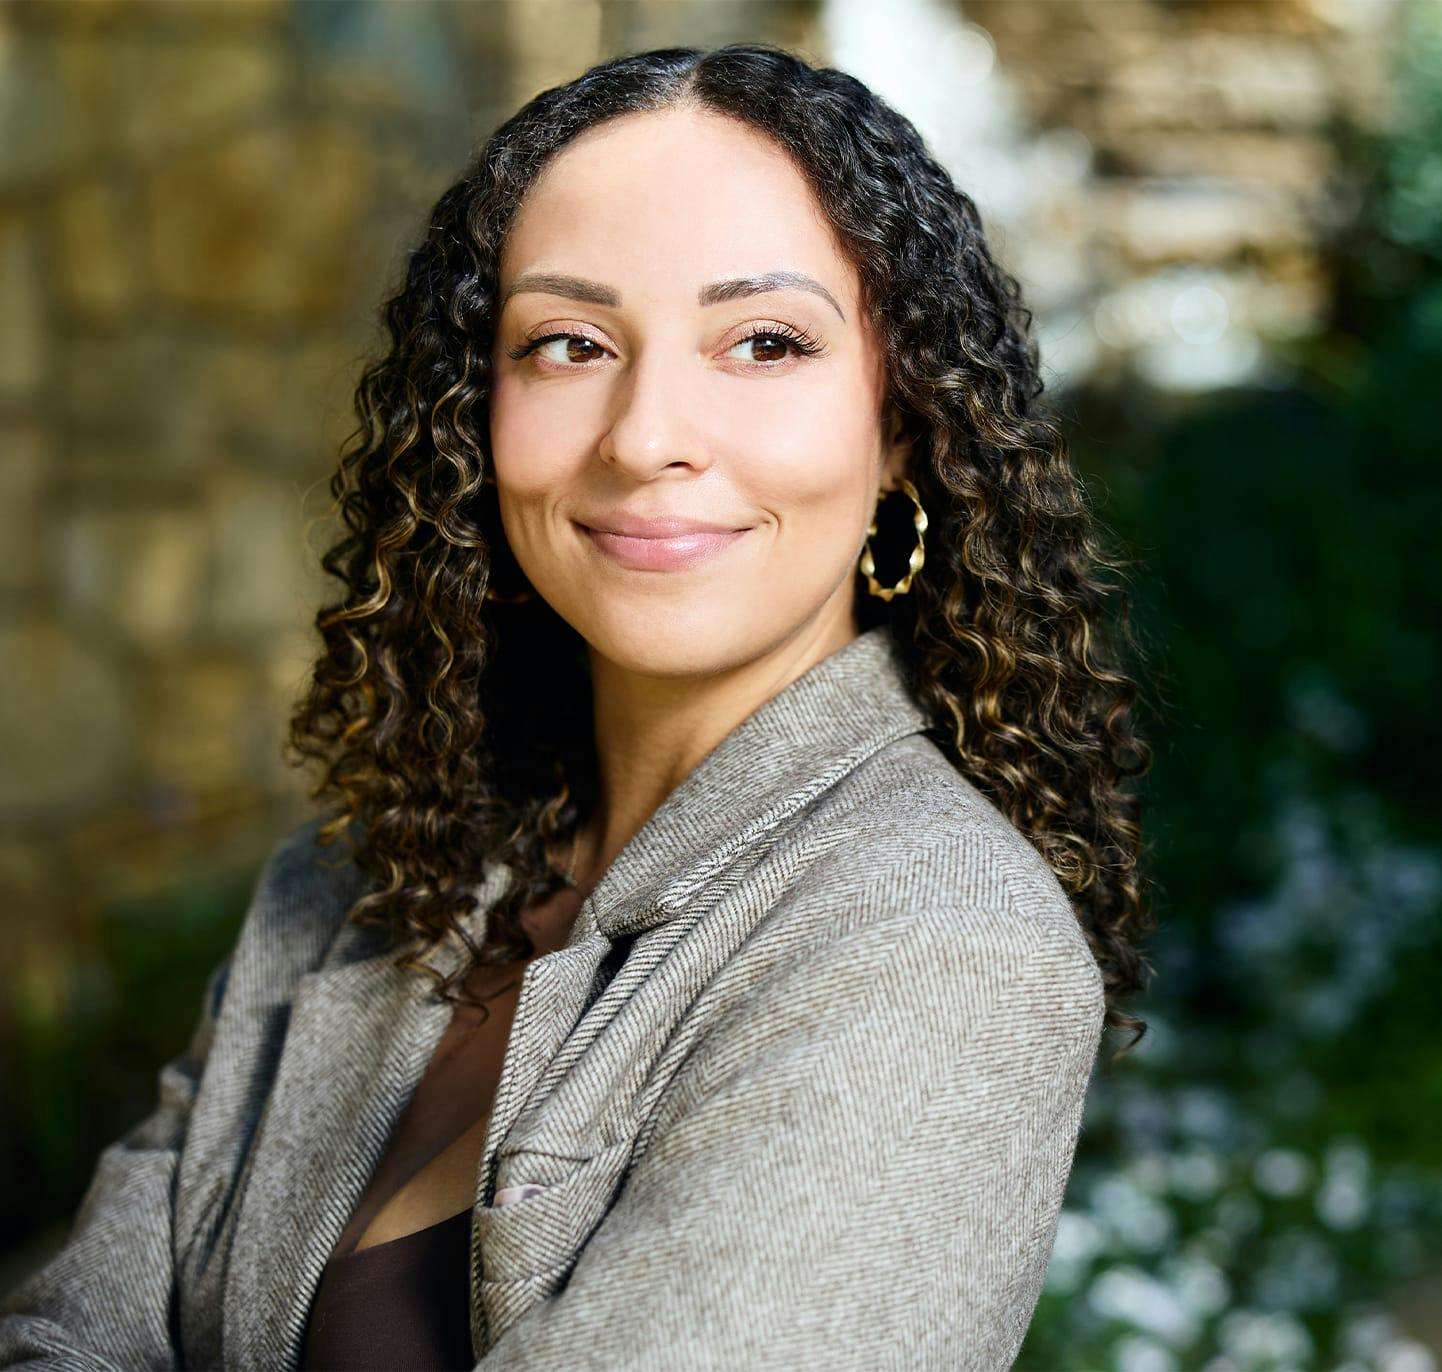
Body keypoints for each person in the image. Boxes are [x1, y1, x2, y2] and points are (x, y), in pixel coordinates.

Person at [0, 41, 1153, 1372]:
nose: (643, 433)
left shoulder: (937, 941)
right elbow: (59, 1336)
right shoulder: (354, 878)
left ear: (904, 429)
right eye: (569, 344)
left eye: (764, 343)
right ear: (474, 419)